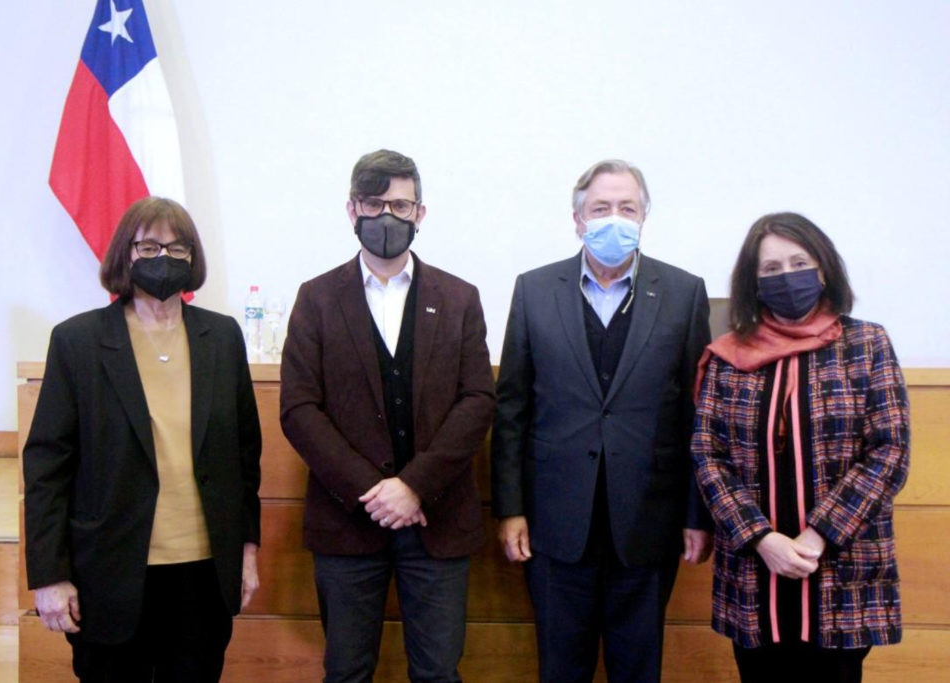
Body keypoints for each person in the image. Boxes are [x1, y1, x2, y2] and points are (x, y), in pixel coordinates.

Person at [491, 159, 713, 682]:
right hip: (554, 525)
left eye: (626, 208)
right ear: (577, 218)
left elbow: (698, 415)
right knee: (560, 670)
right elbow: (512, 408)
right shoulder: (534, 290)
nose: (614, 218)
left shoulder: (684, 293)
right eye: (601, 208)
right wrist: (510, 507)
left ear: (644, 217)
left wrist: (696, 514)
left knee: (638, 671)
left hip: (648, 526)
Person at [23, 197, 262, 682]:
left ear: (193, 260)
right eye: (149, 246)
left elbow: (245, 455)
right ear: (124, 254)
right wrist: (50, 574)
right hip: (109, 571)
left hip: (202, 569)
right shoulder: (78, 342)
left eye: (178, 250)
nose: (164, 259)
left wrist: (248, 551)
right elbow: (48, 467)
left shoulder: (222, 337)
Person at [280, 149, 495, 682]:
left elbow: (477, 401)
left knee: (439, 673)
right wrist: (374, 493)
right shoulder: (317, 298)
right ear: (352, 210)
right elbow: (299, 408)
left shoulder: (460, 298)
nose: (387, 218)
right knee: (347, 672)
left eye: (400, 205)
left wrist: (414, 486)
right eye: (375, 204)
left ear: (420, 214)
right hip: (348, 521)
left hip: (438, 518)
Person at [691, 212, 909, 682]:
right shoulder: (729, 355)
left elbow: (889, 452)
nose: (786, 276)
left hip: (839, 567)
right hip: (754, 569)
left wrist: (818, 536)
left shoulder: (866, 343)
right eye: (770, 269)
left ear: (824, 268)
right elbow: (708, 456)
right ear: (753, 281)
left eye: (798, 262)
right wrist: (761, 539)